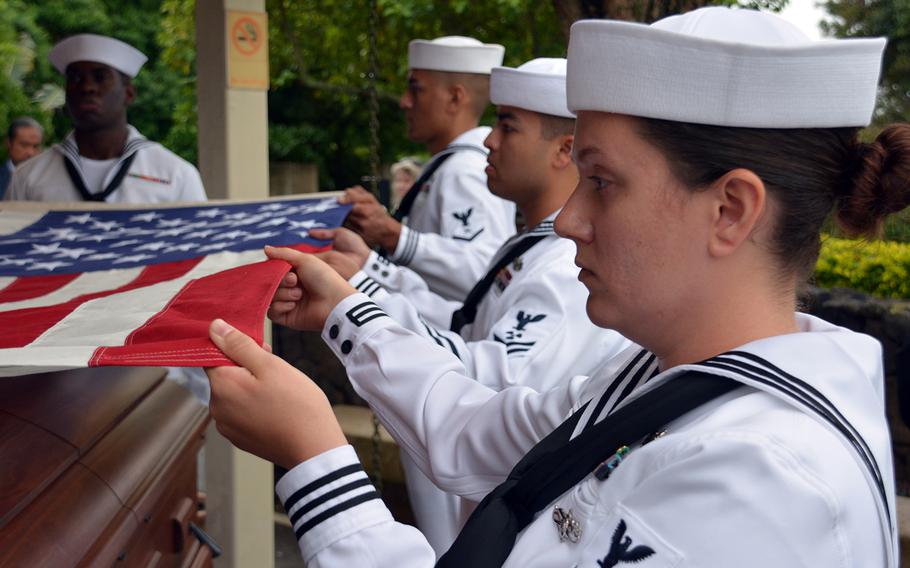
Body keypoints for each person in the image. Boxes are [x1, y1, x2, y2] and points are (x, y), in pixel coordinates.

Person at [205, 7, 904, 567]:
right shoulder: (656, 377)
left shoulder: (764, 483)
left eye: (601, 182)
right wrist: (346, 313)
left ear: (730, 211)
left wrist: (316, 465)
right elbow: (471, 427)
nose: (568, 221)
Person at [313, 58, 631, 556]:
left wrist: (355, 306)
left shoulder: (564, 264)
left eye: (507, 126)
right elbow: (468, 322)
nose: (487, 140)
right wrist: (368, 278)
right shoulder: (533, 246)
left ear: (564, 150)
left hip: (477, 469)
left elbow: (491, 376)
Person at [341, 36, 517, 301]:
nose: (405, 102)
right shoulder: (448, 166)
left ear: (455, 97)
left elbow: (482, 273)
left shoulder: (464, 170)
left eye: (416, 89)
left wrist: (394, 235)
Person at [5, 34, 206, 204]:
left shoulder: (175, 175)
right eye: (75, 78)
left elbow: (202, 249)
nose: (87, 87)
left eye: (101, 77)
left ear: (128, 93)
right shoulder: (28, 177)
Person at [1, 117, 43, 198]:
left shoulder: (49, 180)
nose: (30, 152)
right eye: (24, 145)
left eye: (36, 146)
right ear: (8, 143)